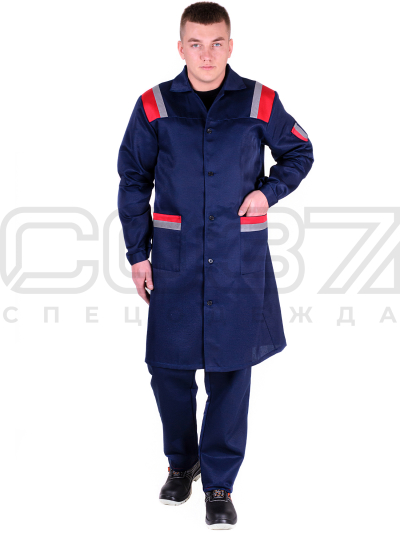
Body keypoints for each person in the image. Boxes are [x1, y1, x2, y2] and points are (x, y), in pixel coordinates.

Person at [117, 2, 314, 529]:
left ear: (231, 45)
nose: (207, 55)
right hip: (175, 259)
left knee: (231, 371)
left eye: (217, 43)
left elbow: (300, 152)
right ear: (180, 48)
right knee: (168, 370)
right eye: (196, 44)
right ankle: (182, 463)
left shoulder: (260, 100)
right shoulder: (154, 105)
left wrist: (268, 193)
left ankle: (220, 483)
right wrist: (138, 254)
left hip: (235, 257)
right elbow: (133, 180)